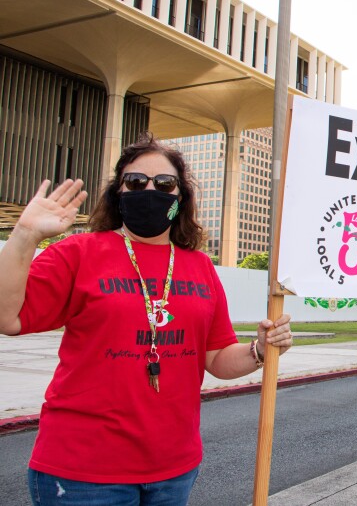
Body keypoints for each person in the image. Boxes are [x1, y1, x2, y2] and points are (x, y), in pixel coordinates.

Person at [0, 135, 294, 505]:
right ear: (118, 194)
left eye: (164, 183)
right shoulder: (78, 253)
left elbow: (216, 358)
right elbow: (6, 317)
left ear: (180, 197)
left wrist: (260, 349)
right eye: (136, 182)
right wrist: (25, 235)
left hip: (174, 471)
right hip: (82, 473)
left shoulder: (200, 267)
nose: (150, 190)